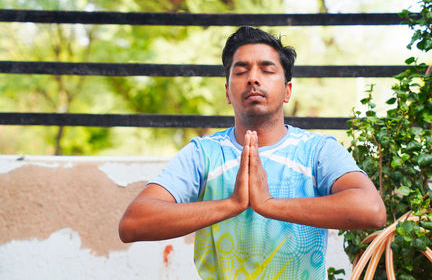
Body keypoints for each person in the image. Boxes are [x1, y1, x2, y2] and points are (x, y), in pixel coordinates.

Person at [119, 26, 386, 279]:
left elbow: (371, 210)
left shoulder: (317, 151)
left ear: (287, 90)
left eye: (267, 70)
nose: (253, 78)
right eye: (241, 71)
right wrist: (231, 204)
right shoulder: (203, 154)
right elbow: (133, 223)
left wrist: (268, 205)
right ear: (227, 91)